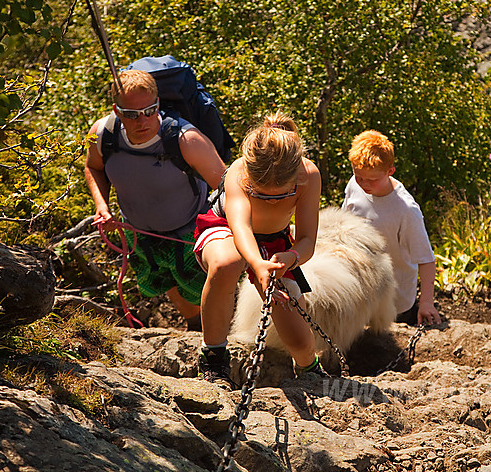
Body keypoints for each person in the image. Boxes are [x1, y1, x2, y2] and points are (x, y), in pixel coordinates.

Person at [84, 69, 225, 330]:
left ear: (158, 104)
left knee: (202, 290)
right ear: (116, 111)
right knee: (164, 283)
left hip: (190, 235)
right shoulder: (103, 134)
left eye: (149, 110)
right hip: (141, 235)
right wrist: (102, 206)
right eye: (132, 115)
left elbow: (228, 187)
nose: (142, 120)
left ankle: (214, 336)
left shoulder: (186, 140)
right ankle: (194, 327)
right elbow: (93, 167)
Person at [193, 111, 326, 388]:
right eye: (262, 194)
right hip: (226, 230)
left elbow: (306, 239)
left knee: (300, 341)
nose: (273, 201)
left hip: (275, 241)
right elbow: (240, 227)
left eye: (281, 195)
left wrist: (291, 257)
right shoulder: (238, 173)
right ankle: (213, 357)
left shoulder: (308, 174)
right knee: (226, 264)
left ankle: (309, 369)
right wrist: (257, 264)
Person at [341, 130, 440, 327]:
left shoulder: (406, 210)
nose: (364, 184)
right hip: (360, 294)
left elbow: (426, 259)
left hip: (396, 303)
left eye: (372, 180)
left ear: (390, 171)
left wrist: (426, 302)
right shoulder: (355, 184)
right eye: (359, 176)